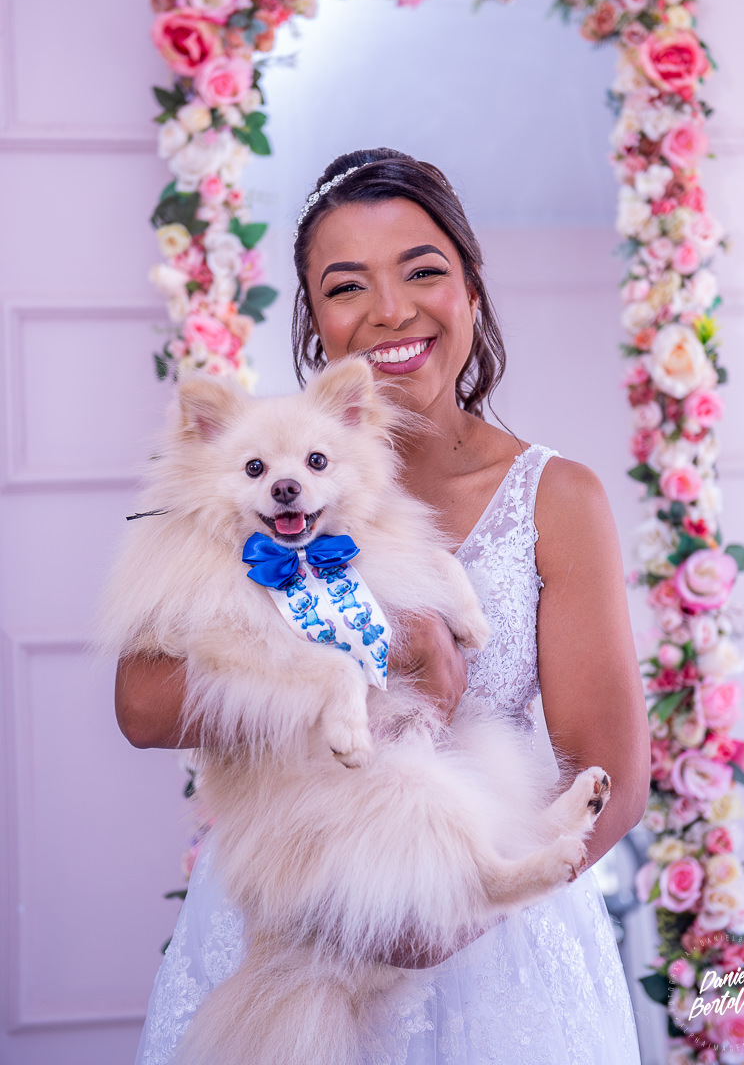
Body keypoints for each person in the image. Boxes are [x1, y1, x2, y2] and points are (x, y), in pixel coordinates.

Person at [118, 147, 651, 1064]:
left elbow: (615, 776)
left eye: (422, 271)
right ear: (314, 319)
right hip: (297, 900)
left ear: (471, 289)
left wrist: (439, 920)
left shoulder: (557, 497)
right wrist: (389, 643)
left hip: (487, 933)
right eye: (346, 286)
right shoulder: (241, 479)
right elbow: (140, 703)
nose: (391, 310)